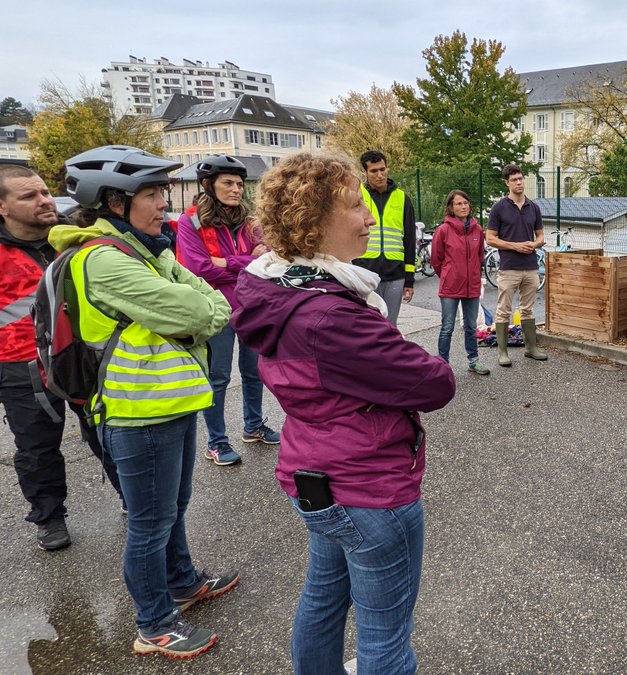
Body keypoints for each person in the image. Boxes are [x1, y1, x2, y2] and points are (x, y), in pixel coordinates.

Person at [231, 153, 456, 674]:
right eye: (356, 206)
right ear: (314, 222)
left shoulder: (275, 289)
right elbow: (435, 382)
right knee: (386, 636)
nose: (370, 217)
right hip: (369, 488)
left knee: (323, 599)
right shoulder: (333, 315)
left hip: (315, 475)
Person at [55, 145, 238, 659]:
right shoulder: (104, 261)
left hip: (171, 401)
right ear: (114, 200)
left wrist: (200, 303)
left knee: (172, 510)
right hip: (138, 412)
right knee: (149, 522)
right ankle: (154, 624)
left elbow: (214, 302)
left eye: (162, 192)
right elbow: (197, 311)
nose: (165, 204)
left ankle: (182, 581)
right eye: (153, 194)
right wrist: (201, 306)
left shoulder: (148, 250)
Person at [0, 164, 124, 551]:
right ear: (2, 207)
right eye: (29, 196)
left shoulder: (72, 237)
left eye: (44, 192)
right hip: (23, 368)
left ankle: (133, 498)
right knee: (37, 447)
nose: (44, 201)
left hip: (82, 357)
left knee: (108, 431)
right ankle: (49, 517)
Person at [175, 155, 278, 467]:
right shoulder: (190, 220)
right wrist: (247, 261)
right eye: (228, 183)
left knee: (253, 372)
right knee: (217, 377)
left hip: (252, 306)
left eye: (239, 184)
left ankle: (254, 426)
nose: (236, 189)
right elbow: (198, 268)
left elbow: (269, 261)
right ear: (209, 185)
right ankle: (217, 442)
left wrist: (226, 263)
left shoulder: (250, 220)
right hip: (216, 310)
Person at [486, 164, 547, 366]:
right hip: (509, 267)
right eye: (514, 180)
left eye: (521, 179)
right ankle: (503, 353)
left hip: (530, 267)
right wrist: (515, 246)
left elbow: (540, 236)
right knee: (504, 309)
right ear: (507, 183)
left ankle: (531, 348)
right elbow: (490, 239)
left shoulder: (533, 207)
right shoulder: (498, 208)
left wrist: (535, 244)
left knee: (528, 309)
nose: (519, 182)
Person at [353, 150, 415, 325]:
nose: (380, 175)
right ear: (365, 172)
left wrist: (409, 279)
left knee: (390, 325)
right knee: (368, 325)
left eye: (383, 169)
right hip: (364, 271)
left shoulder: (402, 198)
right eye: (374, 171)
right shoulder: (358, 197)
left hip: (395, 272)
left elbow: (410, 240)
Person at [431, 189, 489, 375]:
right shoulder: (443, 230)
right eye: (458, 203)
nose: (463, 206)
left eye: (465, 203)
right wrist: (449, 275)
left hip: (471, 286)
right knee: (447, 327)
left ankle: (473, 360)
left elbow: (480, 256)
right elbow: (436, 260)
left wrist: (472, 275)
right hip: (450, 287)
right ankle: (443, 364)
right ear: (451, 207)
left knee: (471, 327)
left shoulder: (477, 230)